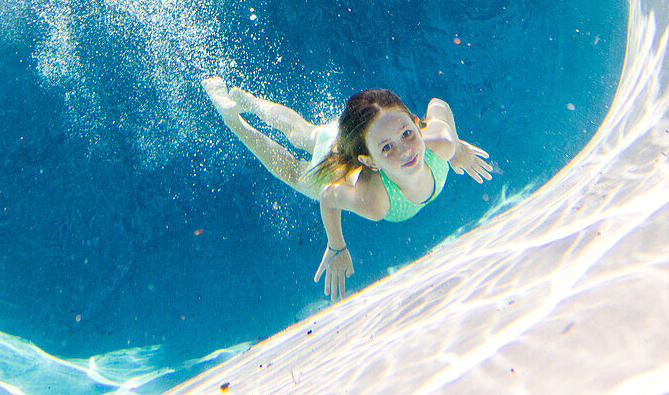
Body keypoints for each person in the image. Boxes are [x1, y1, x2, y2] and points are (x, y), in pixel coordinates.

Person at [202, 77, 492, 302]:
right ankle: (234, 120)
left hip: (363, 134)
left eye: (407, 133)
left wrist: (458, 150)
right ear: (371, 161)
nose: (406, 151)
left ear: (417, 123)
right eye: (389, 149)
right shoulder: (376, 201)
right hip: (341, 166)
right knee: (293, 169)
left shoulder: (441, 143)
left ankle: (250, 102)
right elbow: (329, 196)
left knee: (305, 132)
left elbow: (439, 105)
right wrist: (336, 245)